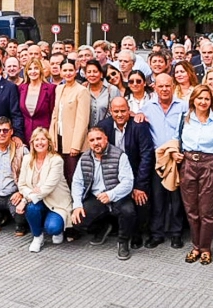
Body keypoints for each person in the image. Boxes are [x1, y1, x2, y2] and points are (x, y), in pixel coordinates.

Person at [175, 86, 213, 265]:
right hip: (188, 164)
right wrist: (175, 153)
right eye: (199, 98)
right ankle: (196, 247)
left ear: (211, 101)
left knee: (207, 210)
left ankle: (206, 248)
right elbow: (176, 139)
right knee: (191, 209)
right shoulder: (184, 118)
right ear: (193, 99)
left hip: (210, 165)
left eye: (207, 98)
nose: (203, 102)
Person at [70, 127, 137, 260]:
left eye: (99, 138)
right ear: (88, 143)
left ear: (106, 139)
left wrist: (111, 194)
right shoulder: (84, 158)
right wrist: (77, 205)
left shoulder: (120, 155)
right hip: (97, 197)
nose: (96, 142)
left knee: (128, 212)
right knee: (78, 220)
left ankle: (123, 242)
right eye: (92, 140)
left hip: (117, 195)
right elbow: (77, 183)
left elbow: (128, 182)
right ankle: (103, 228)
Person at [99, 96, 155, 247]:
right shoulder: (104, 126)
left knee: (141, 199)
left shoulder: (139, 126)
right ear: (111, 111)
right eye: (116, 111)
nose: (119, 114)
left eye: (123, 111)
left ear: (129, 110)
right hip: (112, 174)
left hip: (136, 172)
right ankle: (112, 227)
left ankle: (137, 233)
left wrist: (139, 185)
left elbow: (147, 155)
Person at [141, 73, 188, 249]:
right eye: (160, 86)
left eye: (168, 85)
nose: (164, 89)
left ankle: (176, 233)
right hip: (158, 159)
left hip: (177, 157)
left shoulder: (184, 106)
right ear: (155, 87)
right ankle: (157, 234)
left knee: (176, 199)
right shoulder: (147, 107)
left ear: (173, 86)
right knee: (157, 197)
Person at [16, 128, 73, 252]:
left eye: (43, 139)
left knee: (53, 228)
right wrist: (31, 193)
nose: (40, 142)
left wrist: (24, 200)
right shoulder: (27, 159)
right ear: (32, 142)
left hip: (56, 202)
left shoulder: (56, 160)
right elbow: (21, 185)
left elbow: (48, 187)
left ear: (49, 142)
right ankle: (37, 237)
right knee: (32, 208)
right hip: (37, 200)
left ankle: (57, 228)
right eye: (36, 139)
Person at [49, 60, 92, 183]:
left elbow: (82, 120)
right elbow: (55, 115)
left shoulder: (81, 90)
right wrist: (52, 139)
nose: (67, 73)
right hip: (59, 138)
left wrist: (76, 145)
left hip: (73, 141)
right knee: (59, 174)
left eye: (70, 70)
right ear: (60, 72)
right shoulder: (59, 88)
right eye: (65, 70)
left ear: (76, 71)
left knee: (72, 175)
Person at [19, 59, 56, 143]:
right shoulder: (21, 88)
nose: (33, 71)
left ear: (40, 70)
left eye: (36, 68)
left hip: (44, 135)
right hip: (25, 134)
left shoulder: (50, 89)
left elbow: (52, 114)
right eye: (30, 69)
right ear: (26, 71)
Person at [83, 59, 122, 128]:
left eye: (95, 72)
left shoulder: (112, 90)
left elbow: (119, 112)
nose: (92, 74)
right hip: (88, 132)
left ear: (101, 74)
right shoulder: (83, 90)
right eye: (89, 72)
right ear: (85, 75)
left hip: (107, 130)